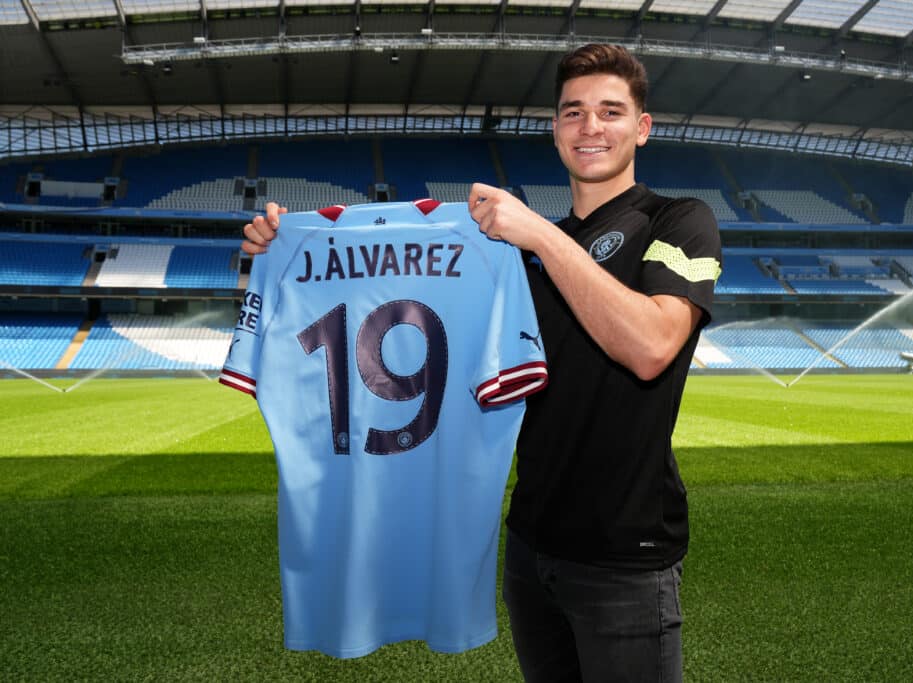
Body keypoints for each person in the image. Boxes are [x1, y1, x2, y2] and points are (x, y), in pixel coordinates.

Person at [243, 43, 721, 683]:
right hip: (529, 544)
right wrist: (285, 253)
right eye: (573, 112)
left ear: (642, 127)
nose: (590, 127)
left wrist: (540, 234)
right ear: (555, 129)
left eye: (611, 111)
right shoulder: (509, 258)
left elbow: (651, 347)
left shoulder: (679, 220)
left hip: (625, 552)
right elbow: (393, 291)